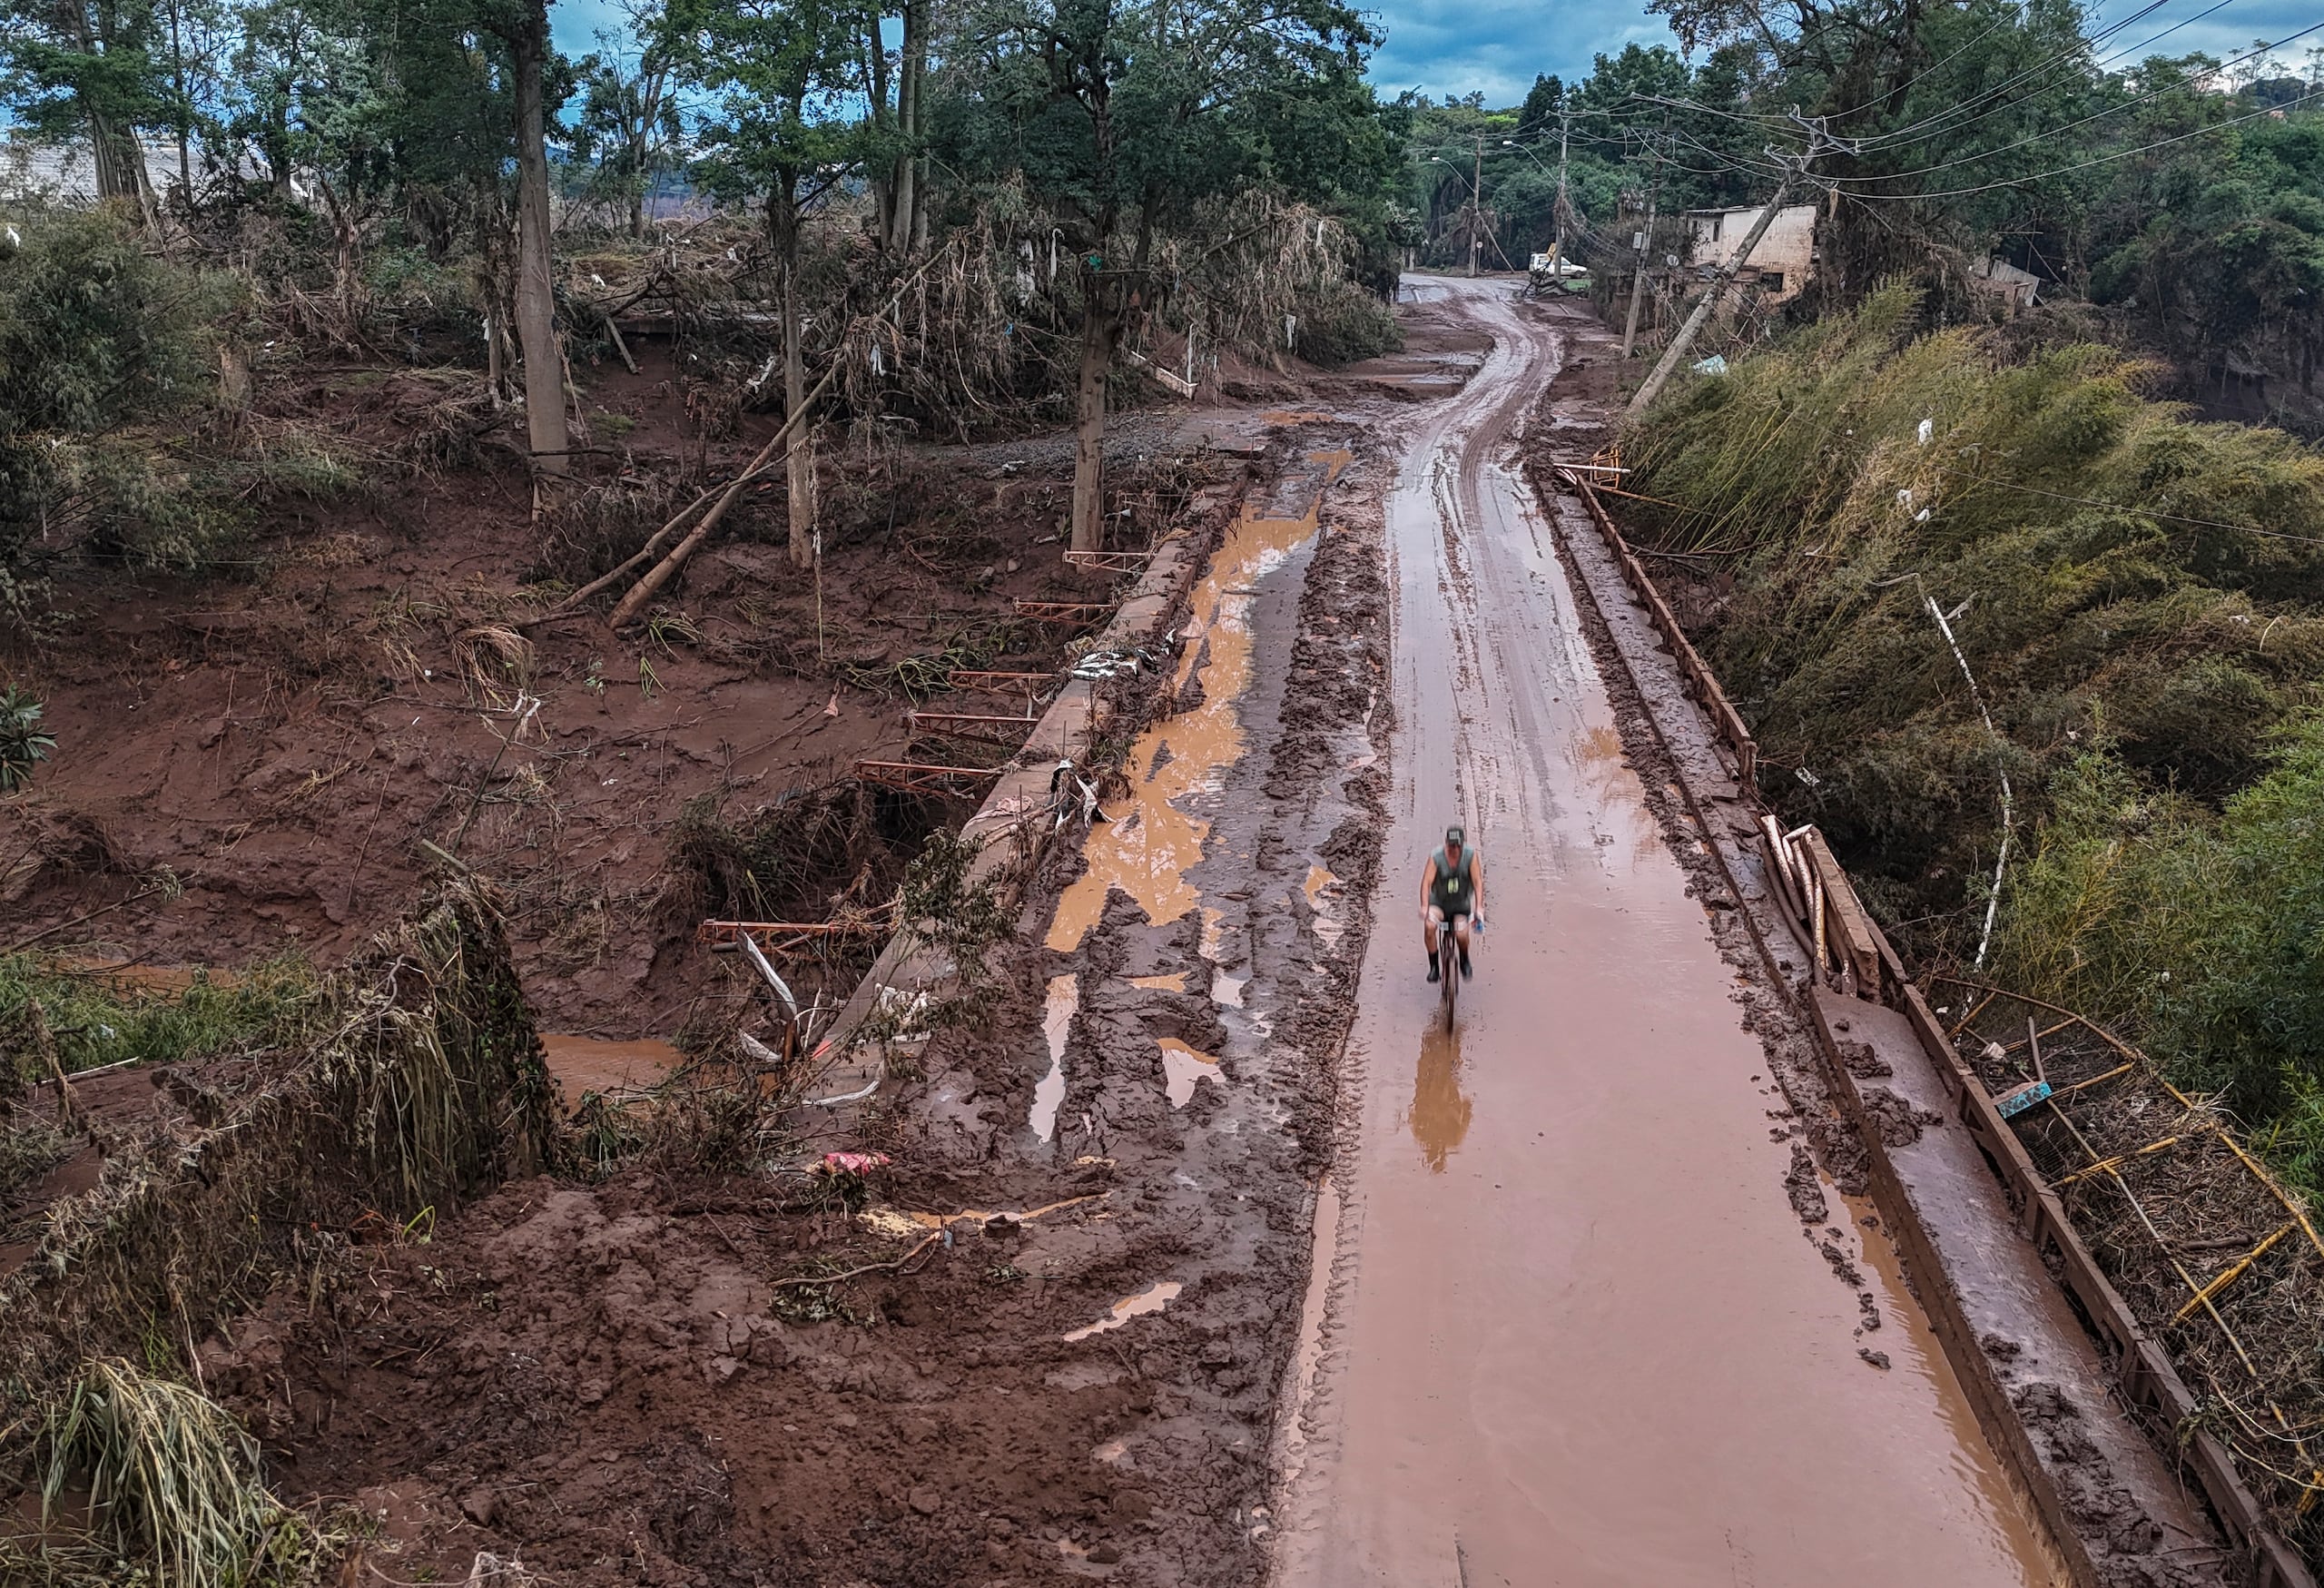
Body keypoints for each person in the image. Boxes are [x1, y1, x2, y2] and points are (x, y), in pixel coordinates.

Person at [1420, 824, 1484, 982]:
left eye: (1457, 845)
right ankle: (1434, 967)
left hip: (1460, 905)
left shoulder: (1470, 856)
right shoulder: (1436, 857)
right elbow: (1426, 882)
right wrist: (1424, 906)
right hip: (1439, 903)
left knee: (1462, 934)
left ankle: (1464, 960)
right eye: (1451, 845)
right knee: (1429, 926)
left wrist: (1479, 907)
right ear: (1446, 843)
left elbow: (1477, 882)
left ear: (1462, 844)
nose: (1454, 849)